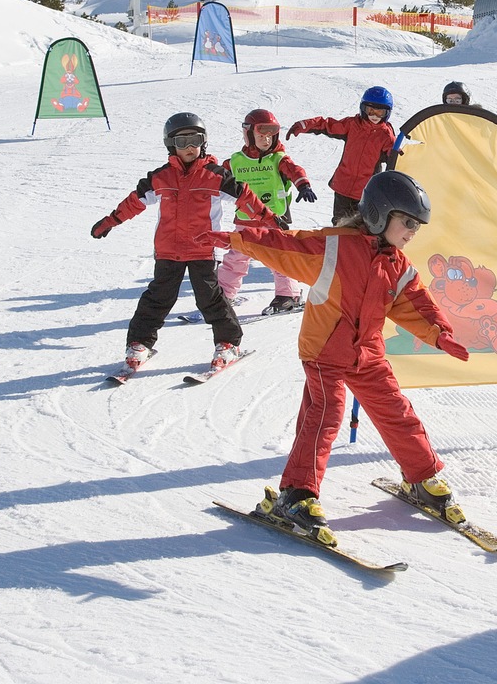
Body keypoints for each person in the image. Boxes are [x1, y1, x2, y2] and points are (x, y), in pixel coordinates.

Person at [201, 170, 471, 542]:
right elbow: (283, 245)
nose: (412, 231)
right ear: (380, 214)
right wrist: (236, 238)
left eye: (417, 226)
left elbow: (416, 304)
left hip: (367, 353)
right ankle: (296, 495)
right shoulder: (333, 247)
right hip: (325, 350)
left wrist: (439, 334)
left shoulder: (397, 266)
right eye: (407, 222)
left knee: (397, 411)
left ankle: (422, 476)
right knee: (325, 416)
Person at [90, 112, 283, 371]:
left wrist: (269, 219)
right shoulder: (160, 177)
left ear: (204, 142)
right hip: (168, 250)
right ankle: (140, 343)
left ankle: (228, 343)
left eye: (195, 140)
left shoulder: (215, 176)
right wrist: (110, 221)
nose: (190, 147)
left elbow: (244, 197)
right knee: (158, 298)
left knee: (210, 298)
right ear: (171, 145)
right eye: (182, 142)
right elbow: (134, 202)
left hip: (202, 249)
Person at [217, 108, 317, 316]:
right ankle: (223, 295)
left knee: (279, 256)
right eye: (261, 135)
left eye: (271, 136)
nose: (266, 140)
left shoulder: (278, 159)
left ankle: (288, 295)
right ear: (249, 134)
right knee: (236, 258)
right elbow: (216, 176)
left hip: (274, 220)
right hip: (245, 219)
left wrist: (303, 185)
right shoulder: (235, 161)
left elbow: (294, 170)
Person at [285, 86, 397, 226]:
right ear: (363, 109)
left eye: (380, 112)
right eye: (370, 110)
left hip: (365, 192)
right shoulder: (352, 125)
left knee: (363, 227)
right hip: (343, 187)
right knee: (339, 225)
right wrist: (304, 125)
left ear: (387, 113)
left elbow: (395, 160)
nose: (374, 116)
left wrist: (397, 154)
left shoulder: (386, 136)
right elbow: (327, 125)